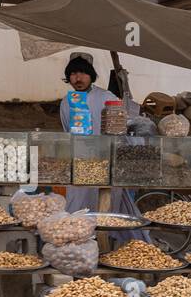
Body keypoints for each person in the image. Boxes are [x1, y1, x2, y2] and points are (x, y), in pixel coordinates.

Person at [58, 52, 142, 225]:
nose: (78, 78)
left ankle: (107, 245)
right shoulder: (66, 102)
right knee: (77, 208)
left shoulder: (106, 98)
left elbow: (122, 128)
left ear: (91, 75)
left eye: (83, 73)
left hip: (105, 161)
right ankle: (80, 242)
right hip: (79, 163)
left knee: (106, 209)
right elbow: (68, 131)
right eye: (73, 74)